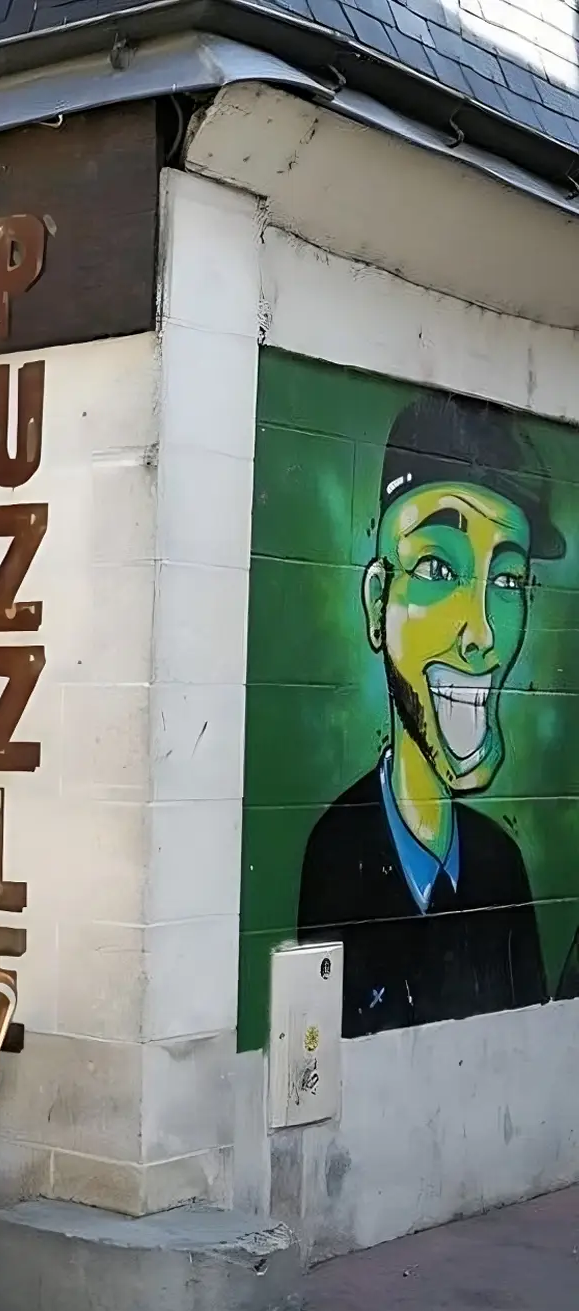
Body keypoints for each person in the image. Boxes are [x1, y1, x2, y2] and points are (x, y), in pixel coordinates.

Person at [296, 393, 555, 1036]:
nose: (482, 634)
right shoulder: (336, 854)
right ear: (378, 602)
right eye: (439, 567)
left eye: (506, 581)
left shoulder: (501, 866)